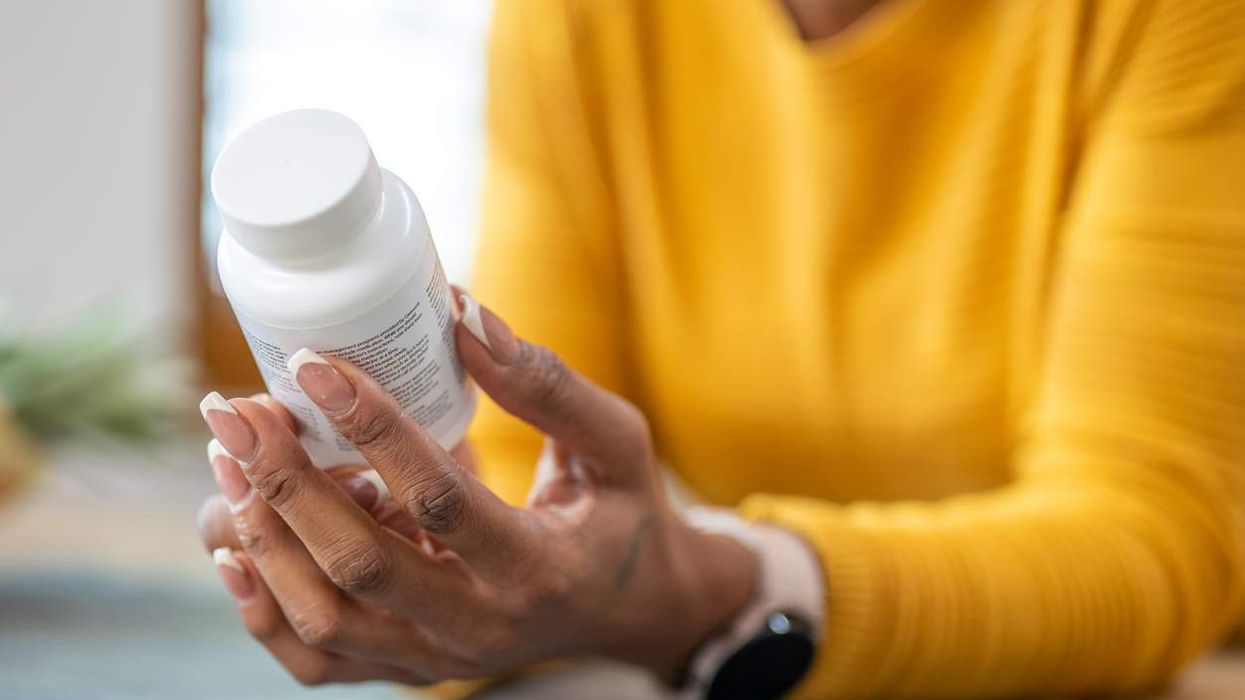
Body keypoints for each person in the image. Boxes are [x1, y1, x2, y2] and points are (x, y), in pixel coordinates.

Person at [196, 0, 1245, 697]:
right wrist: (442, 587)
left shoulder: (1168, 23)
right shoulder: (586, 21)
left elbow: (1155, 539)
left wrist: (721, 591)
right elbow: (520, 462)